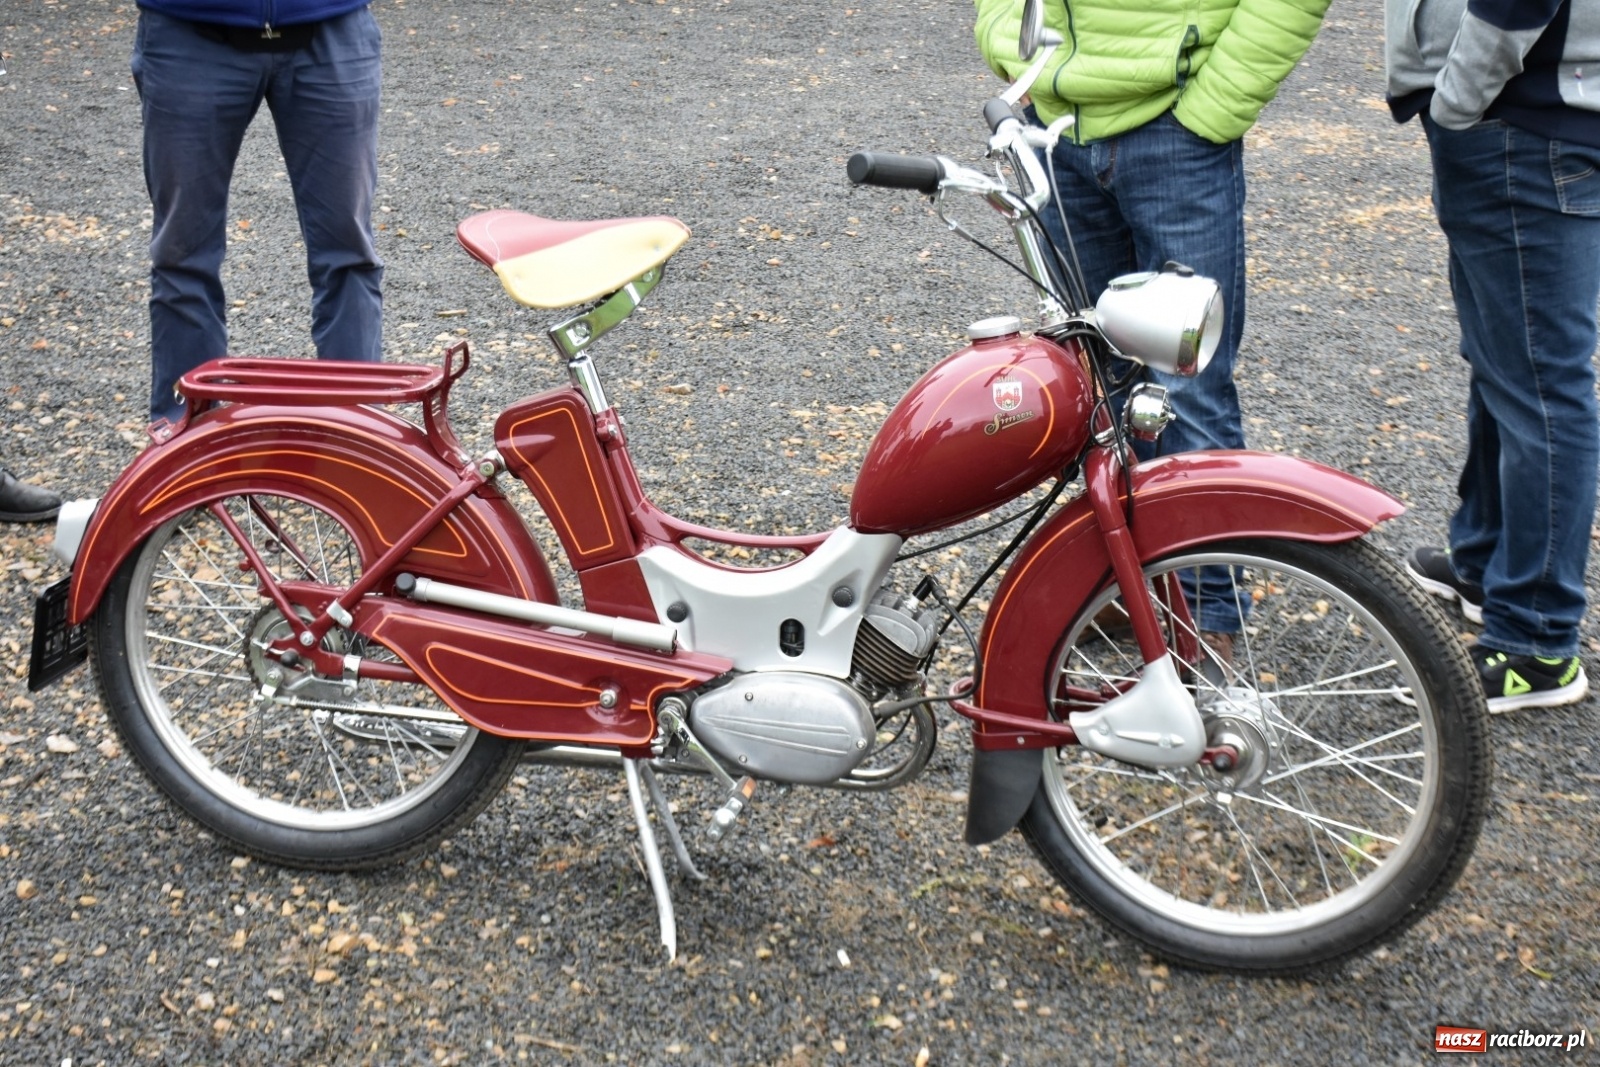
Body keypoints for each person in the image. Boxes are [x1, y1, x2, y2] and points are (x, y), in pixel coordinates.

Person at [974, 0, 1330, 657]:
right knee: (1095, 381)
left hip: (1175, 126)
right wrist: (1010, 44)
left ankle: (1207, 621)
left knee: (1187, 387)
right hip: (1054, 125)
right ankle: (1136, 590)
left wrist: (1211, 109)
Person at [1388, 0, 1596, 712]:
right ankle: (1486, 565)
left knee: (1542, 386)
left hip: (1521, 114)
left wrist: (1457, 104)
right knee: (1509, 365)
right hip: (1525, 111)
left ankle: (1537, 640)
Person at [131, 0, 385, 424]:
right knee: (182, 256)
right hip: (190, 29)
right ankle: (187, 460)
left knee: (349, 255)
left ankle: (356, 447)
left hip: (331, 24)